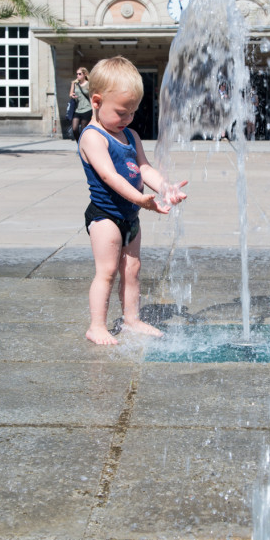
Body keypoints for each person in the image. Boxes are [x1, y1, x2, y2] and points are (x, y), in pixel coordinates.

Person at [78, 56, 187, 346]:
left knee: (132, 269)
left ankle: (132, 319)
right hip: (105, 216)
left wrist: (165, 187)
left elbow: (145, 168)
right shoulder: (92, 137)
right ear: (97, 101)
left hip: (130, 215)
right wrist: (141, 199)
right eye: (122, 112)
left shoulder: (131, 135)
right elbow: (110, 176)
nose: (128, 119)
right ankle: (97, 326)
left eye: (133, 112)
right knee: (108, 271)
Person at [70, 66, 93, 140]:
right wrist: (72, 95)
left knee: (83, 129)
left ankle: (84, 144)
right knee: (74, 129)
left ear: (85, 74)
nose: (78, 76)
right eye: (77, 74)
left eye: (80, 74)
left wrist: (94, 110)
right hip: (77, 109)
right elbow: (70, 93)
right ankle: (79, 143)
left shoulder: (89, 84)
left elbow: (92, 97)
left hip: (87, 109)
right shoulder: (74, 83)